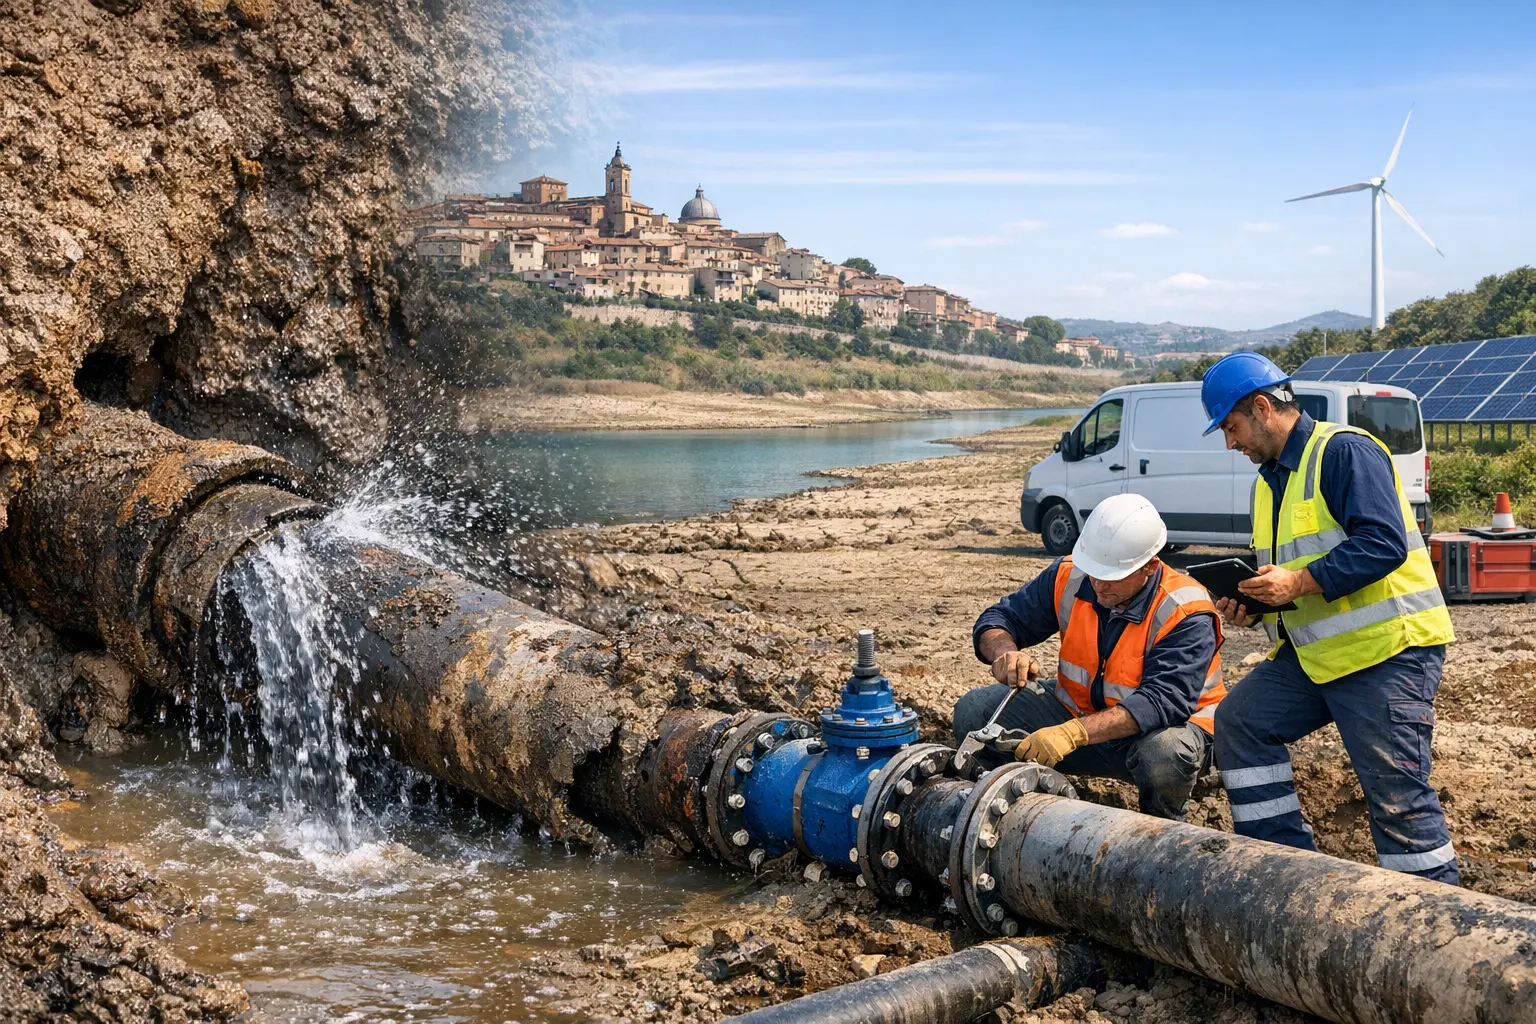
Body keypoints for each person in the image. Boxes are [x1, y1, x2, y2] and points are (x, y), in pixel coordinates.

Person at [1201, 351, 1459, 884]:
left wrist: (1295, 582)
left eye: (1232, 427)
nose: (1231, 443)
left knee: (1396, 796)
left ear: (1262, 407)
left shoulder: (1343, 452)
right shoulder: (1267, 482)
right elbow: (1294, 572)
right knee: (1242, 722)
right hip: (1317, 653)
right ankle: (1285, 873)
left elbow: (1383, 544)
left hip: (1388, 652)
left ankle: (1437, 921)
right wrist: (1255, 603)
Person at [955, 493, 1226, 821]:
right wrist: (1004, 653)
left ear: (1150, 566)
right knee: (975, 712)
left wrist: (1071, 734)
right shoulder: (1072, 576)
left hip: (1156, 734)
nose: (1098, 584)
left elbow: (1160, 702)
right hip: (1081, 716)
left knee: (1164, 754)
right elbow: (1000, 618)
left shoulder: (1185, 610)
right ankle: (1019, 813)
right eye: (1094, 570)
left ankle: (1162, 832)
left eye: (1112, 576)